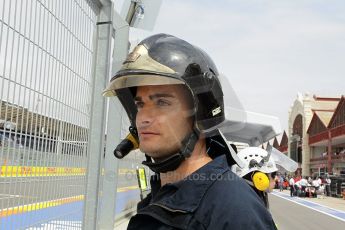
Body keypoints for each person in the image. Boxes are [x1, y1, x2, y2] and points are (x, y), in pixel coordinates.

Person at [103, 34, 276, 229]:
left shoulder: (235, 212)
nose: (143, 118)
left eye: (162, 102)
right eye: (140, 104)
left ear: (202, 112)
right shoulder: (163, 197)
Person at [232, 145, 297, 209]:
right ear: (259, 177)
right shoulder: (249, 207)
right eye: (273, 174)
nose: (276, 178)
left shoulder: (242, 196)